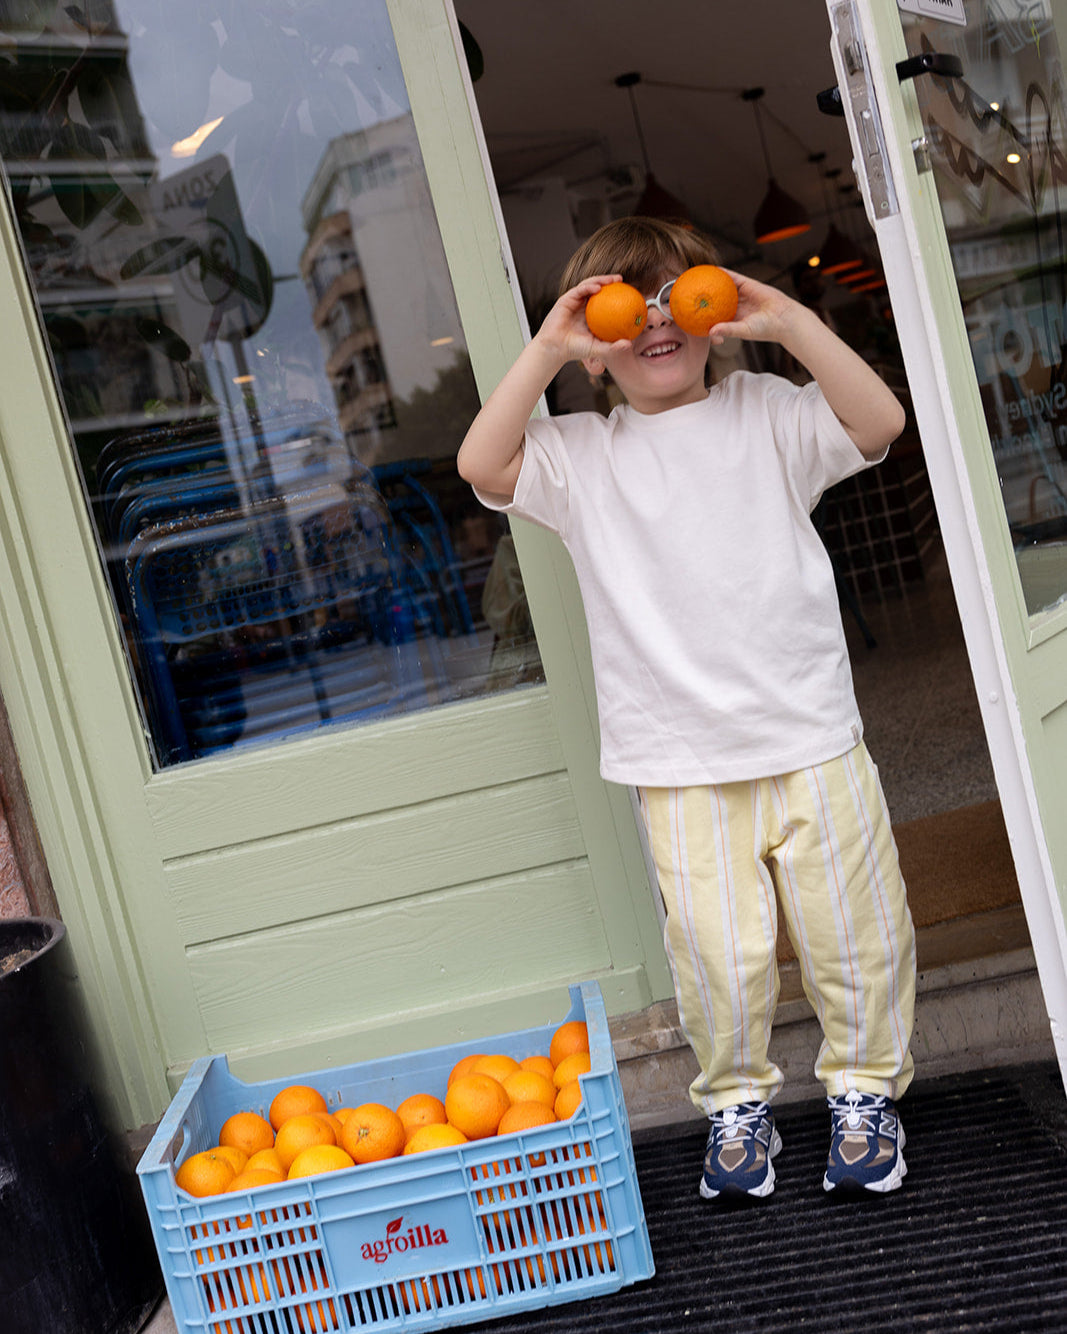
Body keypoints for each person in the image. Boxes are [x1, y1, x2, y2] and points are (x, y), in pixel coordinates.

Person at [456, 216, 916, 1200]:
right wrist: (547, 347)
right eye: (626, 303)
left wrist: (787, 320)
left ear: (715, 313)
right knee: (715, 953)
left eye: (677, 294)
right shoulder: (580, 454)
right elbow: (482, 466)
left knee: (853, 929)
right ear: (594, 342)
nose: (656, 319)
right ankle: (735, 1100)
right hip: (675, 758)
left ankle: (863, 1088)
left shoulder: (765, 408)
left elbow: (876, 423)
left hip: (807, 734)